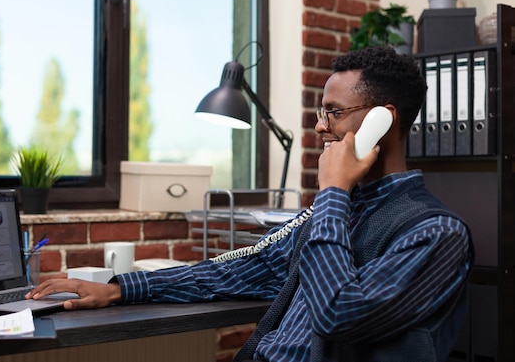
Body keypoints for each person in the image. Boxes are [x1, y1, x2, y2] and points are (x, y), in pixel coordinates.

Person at [26, 46, 474, 362]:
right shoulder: (335, 214)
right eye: (320, 113)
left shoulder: (435, 233)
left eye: (333, 113)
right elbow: (244, 269)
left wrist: (334, 193)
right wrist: (120, 288)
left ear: (383, 120)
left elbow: (341, 314)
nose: (320, 128)